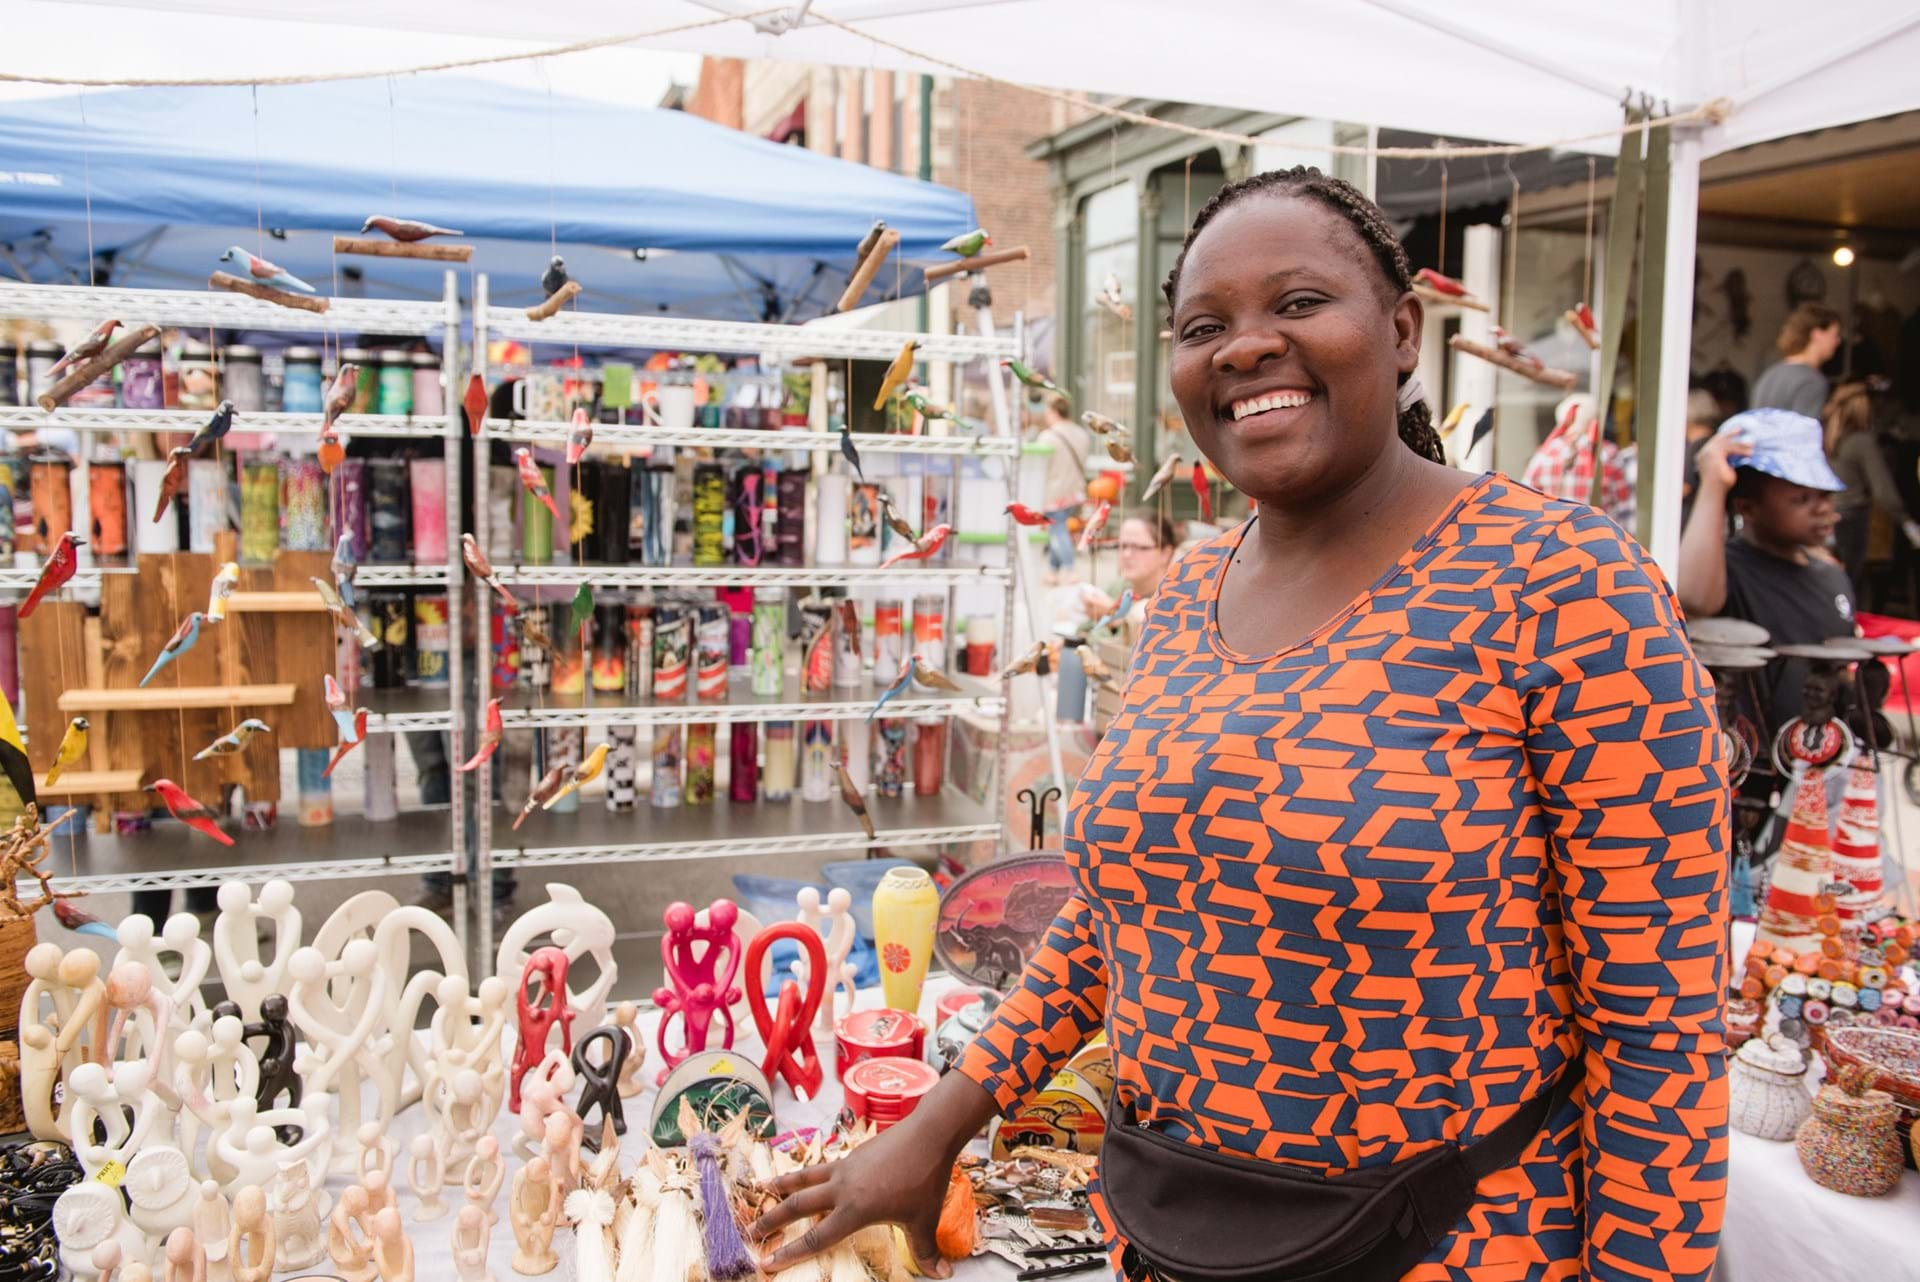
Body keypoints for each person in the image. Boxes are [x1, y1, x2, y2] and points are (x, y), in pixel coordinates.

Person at [751, 168, 1728, 1282]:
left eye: (1300, 303)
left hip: (1454, 1247)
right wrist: (937, 1127)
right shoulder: (1187, 594)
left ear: (1402, 331)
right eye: (1203, 325)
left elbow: (1660, 1035)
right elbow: (1113, 920)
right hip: (1171, 1238)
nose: (1245, 347)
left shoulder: (1563, 584)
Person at [1677, 407, 1855, 731]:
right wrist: (1714, 484)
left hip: (1817, 763)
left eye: (1825, 495)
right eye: (1801, 498)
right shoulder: (1728, 569)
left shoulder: (1832, 577)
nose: (1822, 508)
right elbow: (1693, 597)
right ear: (1748, 508)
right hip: (1753, 766)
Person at [1825, 380, 1920, 599]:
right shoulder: (1861, 441)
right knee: (1850, 584)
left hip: (1829, 514)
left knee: (1831, 583)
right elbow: (1884, 491)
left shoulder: (1829, 437)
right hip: (1852, 518)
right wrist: (1907, 522)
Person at [1081, 511, 1177, 630]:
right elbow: (1083, 631)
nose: (1126, 554)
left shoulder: (1176, 602)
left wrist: (1118, 619)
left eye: (1137, 547)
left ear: (1165, 554)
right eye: (1123, 546)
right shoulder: (1119, 587)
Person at [1752, 303, 1842, 419]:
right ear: (1817, 335)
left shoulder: (1769, 375)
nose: (1838, 341)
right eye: (1834, 335)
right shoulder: (1811, 381)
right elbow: (1804, 433)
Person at [1036, 392, 1092, 571]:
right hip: (1075, 491)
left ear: (1053, 411)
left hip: (1054, 493)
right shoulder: (1081, 433)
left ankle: (1070, 568)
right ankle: (1053, 571)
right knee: (1058, 529)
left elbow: (1040, 468)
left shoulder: (1047, 437)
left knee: (1058, 531)